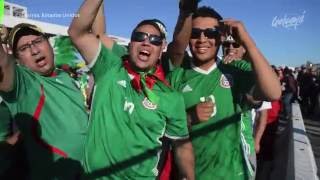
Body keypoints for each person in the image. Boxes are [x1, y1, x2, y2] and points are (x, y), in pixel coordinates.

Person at [68, 0, 194, 179]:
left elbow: (182, 144)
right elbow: (78, 32)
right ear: (130, 42)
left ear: (162, 49)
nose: (146, 43)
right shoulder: (110, 68)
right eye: (139, 37)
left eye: (155, 40)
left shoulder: (171, 97)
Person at [166, 6, 281, 180]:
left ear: (221, 37)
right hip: (190, 174)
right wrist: (189, 118)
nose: (202, 39)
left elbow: (273, 93)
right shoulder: (176, 76)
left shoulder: (236, 70)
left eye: (210, 33)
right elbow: (160, 125)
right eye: (195, 33)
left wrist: (248, 42)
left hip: (232, 174)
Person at [0, 23, 89, 179]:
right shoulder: (25, 84)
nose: (35, 50)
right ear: (17, 60)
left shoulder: (65, 77)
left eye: (38, 41)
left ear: (49, 43)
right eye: (24, 48)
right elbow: (2, 66)